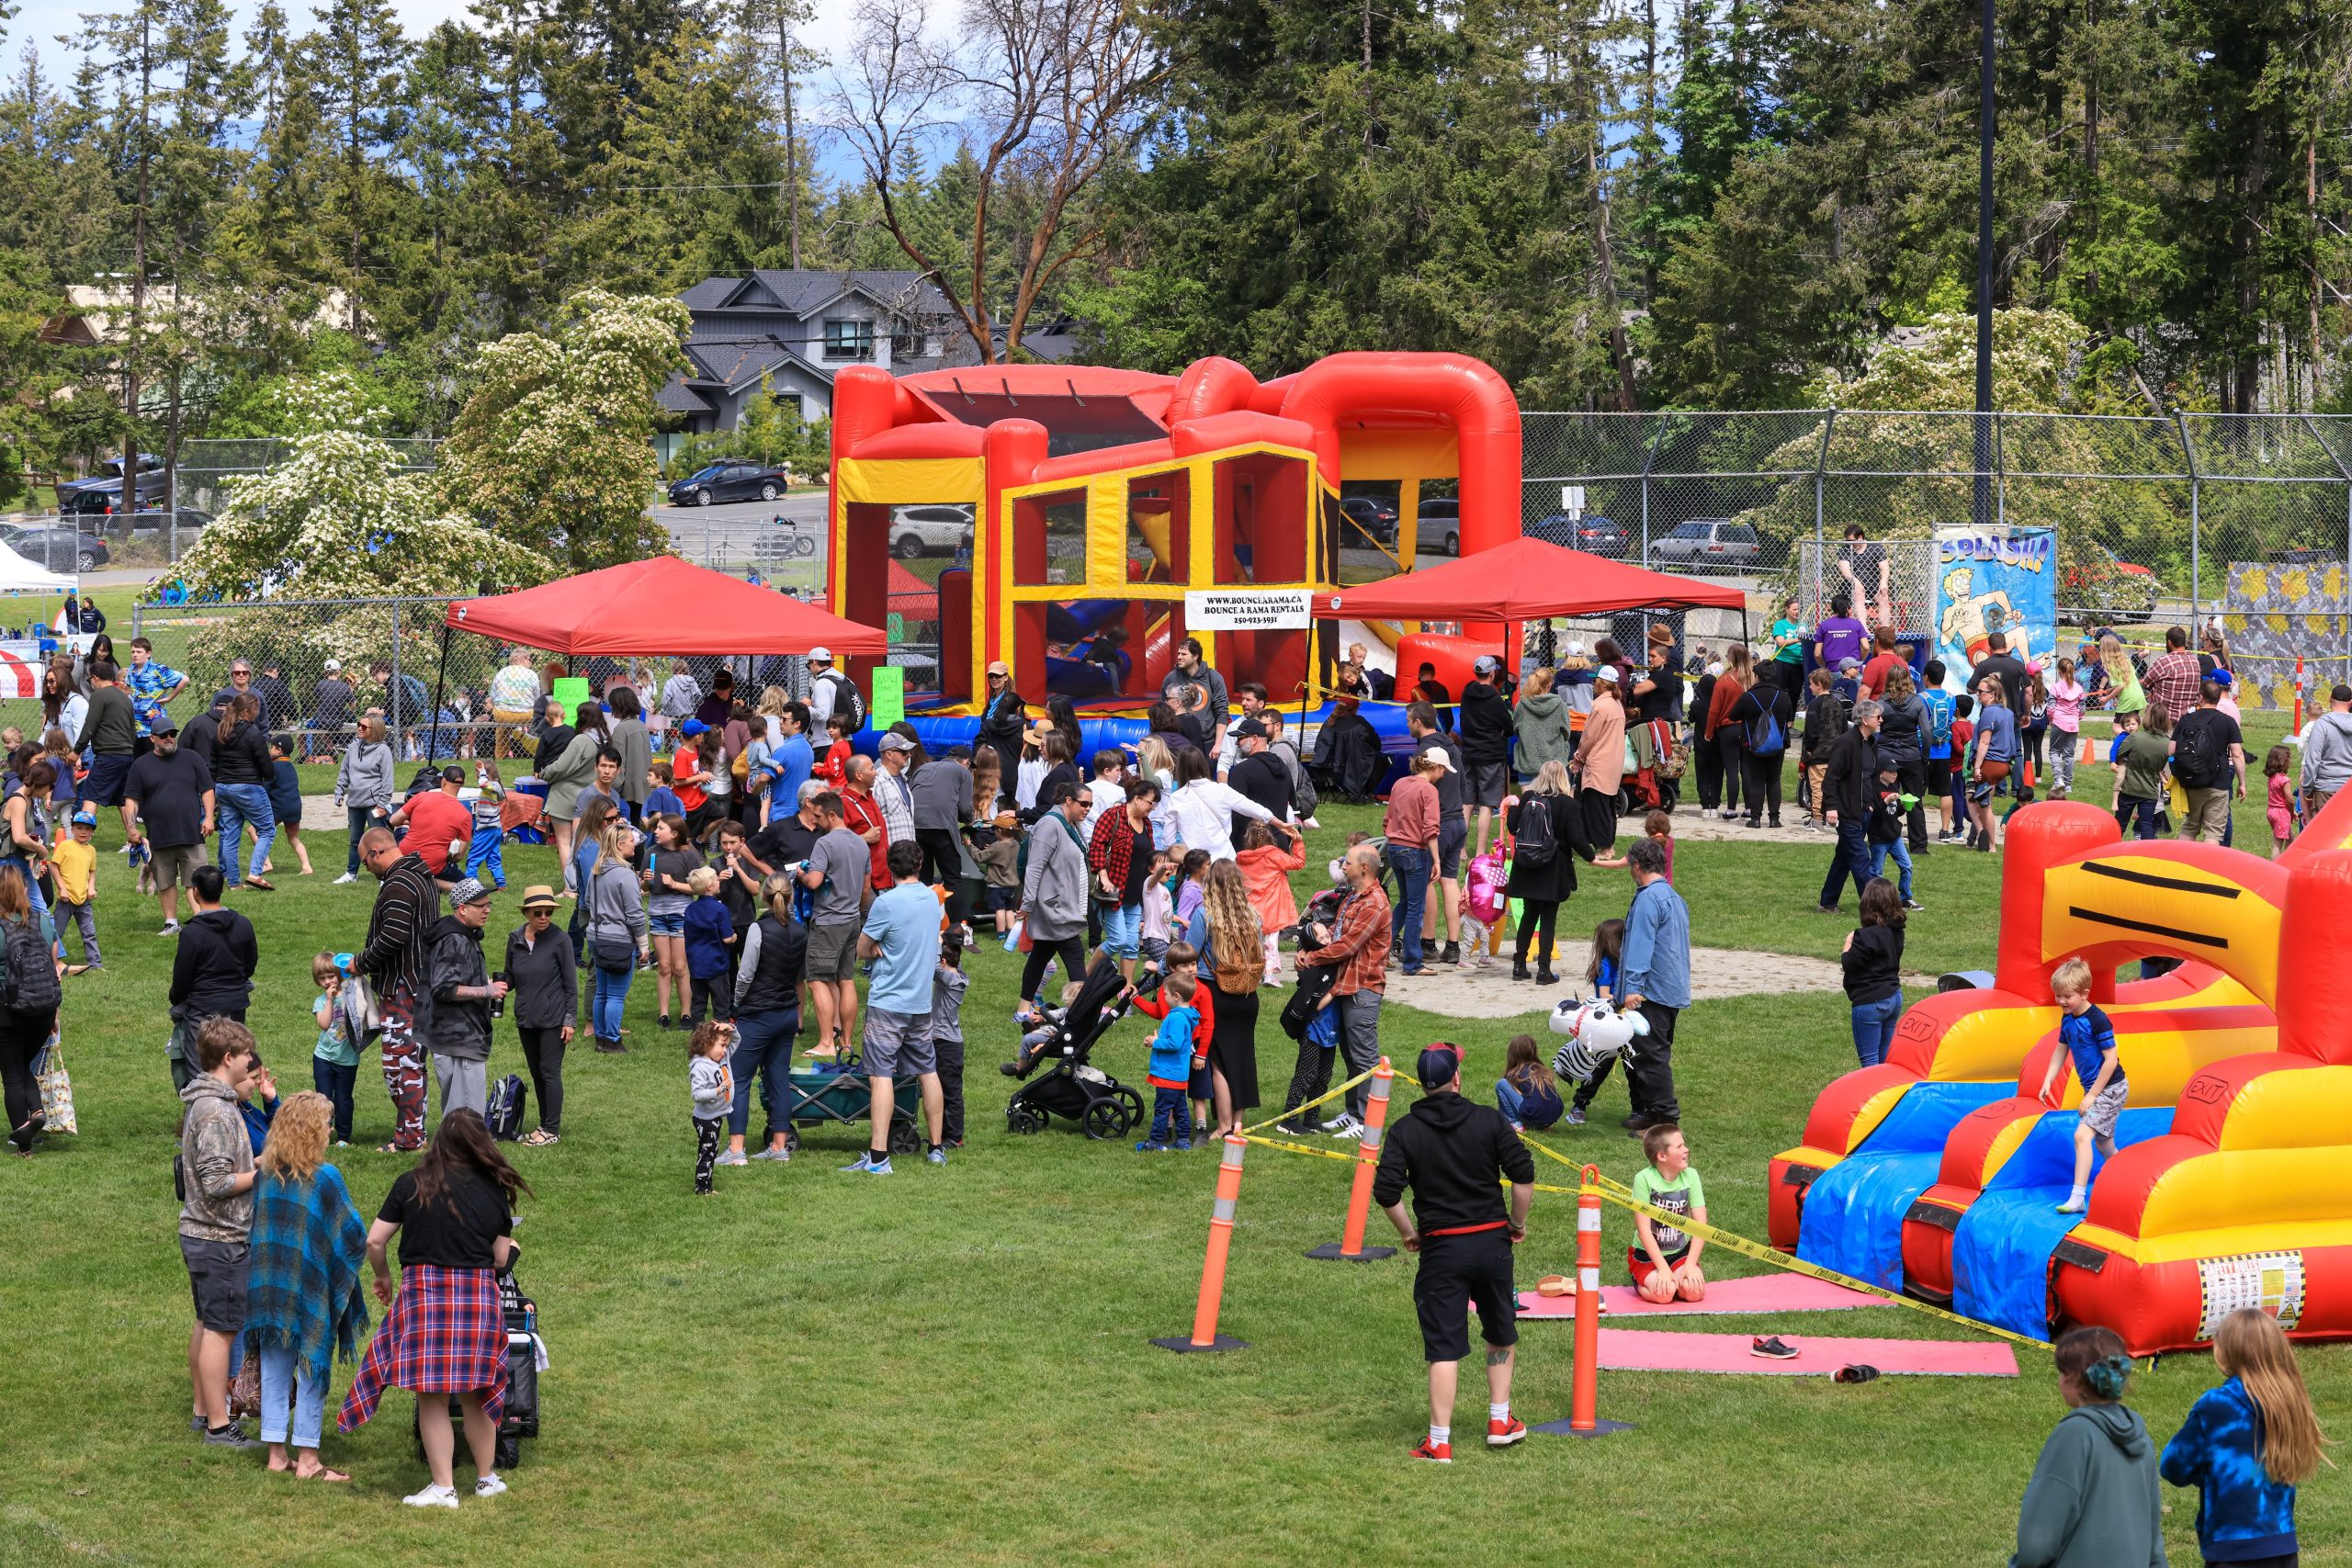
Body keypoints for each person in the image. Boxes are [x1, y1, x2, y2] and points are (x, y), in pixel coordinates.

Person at [338, 1108, 531, 1509]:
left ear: (440, 1140)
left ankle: (444, 1488)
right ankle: (486, 1479)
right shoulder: (493, 1190)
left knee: (433, 1396)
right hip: (478, 1298)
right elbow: (498, 1260)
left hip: (426, 1298)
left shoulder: (412, 1183)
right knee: (478, 1393)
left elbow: (375, 1241)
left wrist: (383, 1277)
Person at [1373, 1042, 1535, 1463]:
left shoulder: (1405, 1131)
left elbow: (1386, 1191)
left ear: (1424, 1086)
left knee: (1444, 1346)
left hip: (1442, 1249)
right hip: (1491, 1244)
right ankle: (1500, 1420)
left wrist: (1409, 1232)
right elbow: (1523, 1175)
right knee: (1500, 1329)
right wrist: (1516, 1224)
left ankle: (1439, 1441)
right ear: (1457, 1078)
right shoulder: (1489, 1120)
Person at [241, 1091, 369, 1481]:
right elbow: (354, 1234)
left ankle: (277, 1454)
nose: (330, 1130)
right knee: (313, 1368)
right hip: (307, 1288)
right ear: (314, 1130)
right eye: (327, 1124)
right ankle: (309, 1460)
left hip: (267, 1285)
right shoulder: (324, 1178)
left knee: (275, 1368)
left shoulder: (266, 1175)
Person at [2161, 1308, 2326, 1568]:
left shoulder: (2216, 1406)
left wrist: (2205, 1470)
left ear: (2224, 1353)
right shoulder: (2290, 1403)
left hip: (2233, 1550)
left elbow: (2172, 1466)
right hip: (2283, 1547)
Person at [2012, 1325, 2164, 1568]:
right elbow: (2153, 1536)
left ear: (2073, 1378)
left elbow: (2038, 1538)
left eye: (2060, 1372)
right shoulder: (2141, 1438)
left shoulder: (2074, 1434)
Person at [179, 1018, 262, 1447]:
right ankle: (218, 1424)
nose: (252, 1060)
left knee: (207, 1323)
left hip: (203, 1235)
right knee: (220, 1331)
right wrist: (261, 1172)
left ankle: (202, 1411)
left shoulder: (212, 1103)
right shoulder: (215, 1111)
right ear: (229, 1059)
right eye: (247, 1055)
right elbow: (216, 1182)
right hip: (220, 1237)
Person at [845, 839, 946, 1174]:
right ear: (919, 866)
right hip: (920, 1001)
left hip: (888, 1001)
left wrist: (874, 946)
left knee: (881, 1075)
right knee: (927, 1071)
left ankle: (878, 1157)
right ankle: (936, 1148)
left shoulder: (886, 903)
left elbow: (861, 948)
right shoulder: (934, 900)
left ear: (890, 868)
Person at [1286, 844, 1392, 1136]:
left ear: (1365, 869)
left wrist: (1312, 958)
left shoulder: (1374, 903)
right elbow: (1334, 932)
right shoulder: (1353, 896)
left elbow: (1348, 945)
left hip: (1363, 988)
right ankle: (1354, 1112)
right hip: (1345, 985)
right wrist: (1303, 948)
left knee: (1365, 1057)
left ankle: (1366, 1121)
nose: (1343, 867)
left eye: (1348, 863)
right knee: (1350, 1054)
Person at [351, 827, 439, 1149]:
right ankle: (410, 1133)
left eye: (365, 862)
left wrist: (360, 963)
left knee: (401, 1066)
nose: (367, 868)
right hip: (420, 983)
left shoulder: (400, 882)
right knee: (404, 1064)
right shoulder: (420, 873)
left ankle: (411, 1139)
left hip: (405, 987)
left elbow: (394, 936)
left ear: (376, 852)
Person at [721, 874, 807, 1166]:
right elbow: (799, 975)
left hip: (759, 1014)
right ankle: (779, 1146)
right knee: (778, 1078)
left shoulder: (759, 929)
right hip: (787, 1014)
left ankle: (735, 1150)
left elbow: (745, 974)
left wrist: (736, 1001)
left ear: (766, 896)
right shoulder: (799, 930)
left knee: (739, 1079)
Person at [2034, 956, 2126, 1216]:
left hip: (2112, 1086)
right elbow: (2060, 1050)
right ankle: (2127, 1179)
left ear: (2085, 993)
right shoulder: (2068, 1018)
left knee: (2081, 1136)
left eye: (2067, 996)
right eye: (2058, 995)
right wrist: (2048, 1079)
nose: (2061, 1001)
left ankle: (2077, 1198)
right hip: (2096, 1088)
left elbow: (2111, 1060)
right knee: (2104, 1145)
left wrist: (2092, 1096)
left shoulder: (2098, 1020)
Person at [1186, 858, 1266, 1136]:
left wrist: (1159, 966)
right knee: (1242, 1059)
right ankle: (1238, 1123)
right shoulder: (1253, 916)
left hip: (1214, 994)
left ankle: (1222, 1125)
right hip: (1247, 996)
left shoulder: (1204, 916)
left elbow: (1188, 953)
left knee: (1218, 1061)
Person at [1615, 837, 1689, 1129]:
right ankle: (1651, 1112)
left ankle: (1665, 1118)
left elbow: (1641, 947)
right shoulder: (1673, 896)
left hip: (1652, 991)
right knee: (1646, 1052)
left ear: (1636, 866)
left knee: (1651, 1055)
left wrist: (1632, 988)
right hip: (1671, 988)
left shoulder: (1648, 899)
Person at [417, 876, 505, 1120]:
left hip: (456, 1037)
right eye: (481, 905)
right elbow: (444, 988)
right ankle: (461, 1157)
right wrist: (487, 991)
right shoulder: (455, 940)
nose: (487, 909)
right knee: (466, 1115)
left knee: (457, 1113)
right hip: (459, 1038)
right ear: (463, 909)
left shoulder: (462, 935)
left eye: (489, 904)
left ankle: (453, 1155)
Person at [794, 791, 870, 1062]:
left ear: (833, 815)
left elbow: (814, 882)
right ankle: (846, 1043)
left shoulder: (824, 844)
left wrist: (801, 875)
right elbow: (866, 889)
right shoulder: (861, 844)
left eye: (818, 817)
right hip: (852, 921)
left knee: (816, 980)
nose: (815, 822)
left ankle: (827, 1041)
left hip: (828, 921)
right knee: (846, 980)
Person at [121, 716, 214, 935]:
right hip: (159, 836)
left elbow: (207, 789)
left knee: (197, 880)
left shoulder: (191, 758)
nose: (169, 738)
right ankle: (171, 922)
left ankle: (203, 920)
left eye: (172, 734)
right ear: (153, 738)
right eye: (164, 736)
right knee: (165, 881)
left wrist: (208, 817)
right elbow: (131, 800)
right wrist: (131, 828)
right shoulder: (141, 765)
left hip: (191, 832)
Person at [1016, 781, 1091, 1011]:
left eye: (1090, 805)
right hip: (1054, 907)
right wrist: (1028, 903)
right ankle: (1084, 1009)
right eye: (1084, 804)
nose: (1088, 809)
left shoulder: (1071, 824)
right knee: (1075, 955)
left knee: (1040, 957)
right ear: (1068, 800)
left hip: (1061, 903)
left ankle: (1022, 1010)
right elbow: (1035, 867)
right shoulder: (1050, 824)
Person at [1506, 760, 1582, 984]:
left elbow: (1512, 826)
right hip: (1552, 867)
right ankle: (1544, 970)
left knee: (1529, 915)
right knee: (1548, 919)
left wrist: (1512, 808)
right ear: (1562, 778)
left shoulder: (1529, 798)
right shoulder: (1567, 804)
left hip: (1526, 865)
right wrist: (1591, 857)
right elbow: (1576, 838)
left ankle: (1519, 965)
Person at [169, 863, 256, 1056]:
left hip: (201, 1010)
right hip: (236, 1005)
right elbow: (250, 965)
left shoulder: (192, 933)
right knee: (233, 1063)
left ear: (196, 892)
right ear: (222, 889)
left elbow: (182, 977)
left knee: (200, 1072)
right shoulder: (243, 924)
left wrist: (176, 999)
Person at [1126, 955, 1205, 1151]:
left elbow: (1175, 1044)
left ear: (1176, 996)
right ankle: (1183, 1141)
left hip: (1168, 1075)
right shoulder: (1186, 1015)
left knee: (1162, 1110)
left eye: (1166, 994)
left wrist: (1155, 1042)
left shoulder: (1178, 1017)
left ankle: (1154, 1143)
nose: (1164, 998)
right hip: (1178, 1075)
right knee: (1180, 1110)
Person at [584, 818, 649, 1054]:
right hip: (619, 940)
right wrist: (643, 945)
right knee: (616, 995)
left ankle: (600, 1039)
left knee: (602, 990)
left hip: (596, 937)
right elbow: (635, 915)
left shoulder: (596, 872)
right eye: (632, 841)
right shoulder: (626, 875)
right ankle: (612, 1040)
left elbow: (588, 902)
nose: (635, 845)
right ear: (620, 845)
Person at [1815, 698, 1883, 913]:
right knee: (1861, 860)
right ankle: (1874, 907)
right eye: (1877, 716)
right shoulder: (1846, 743)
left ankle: (1827, 902)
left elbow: (1871, 777)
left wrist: (1871, 803)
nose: (1881, 720)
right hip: (1847, 811)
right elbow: (1831, 778)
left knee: (1843, 860)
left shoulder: (1871, 743)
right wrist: (1832, 807)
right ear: (1864, 719)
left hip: (1863, 810)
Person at [1089, 777, 1158, 982]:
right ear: (1137, 798)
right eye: (1150, 803)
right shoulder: (1112, 816)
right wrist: (1104, 877)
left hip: (1135, 895)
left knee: (1131, 946)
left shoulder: (1147, 824)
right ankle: (1084, 976)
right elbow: (1097, 847)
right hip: (1114, 893)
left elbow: (1148, 856)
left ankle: (1125, 993)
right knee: (1118, 940)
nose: (1152, 808)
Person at [1382, 748, 1443, 976]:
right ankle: (1412, 963)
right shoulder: (1429, 790)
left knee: (1405, 903)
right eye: (1443, 769)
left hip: (1395, 848)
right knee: (1416, 908)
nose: (1444, 774)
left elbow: (1387, 818)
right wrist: (1436, 860)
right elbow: (1431, 830)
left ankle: (1380, 953)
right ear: (1435, 767)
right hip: (1414, 851)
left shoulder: (1400, 784)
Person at [1630, 1122, 1707, 1303]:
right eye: (1680, 1146)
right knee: (1665, 1295)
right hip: (1648, 1255)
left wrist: (1689, 1264)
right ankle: (1639, 1282)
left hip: (1680, 1252)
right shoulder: (1644, 1179)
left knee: (1693, 1293)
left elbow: (1701, 1226)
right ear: (1662, 1156)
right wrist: (1663, 1269)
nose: (1686, 1149)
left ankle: (1676, 1277)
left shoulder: (1691, 1176)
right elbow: (1644, 1230)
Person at [537, 705, 605, 893]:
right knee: (588, 842)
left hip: (566, 797)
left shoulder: (581, 740)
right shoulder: (603, 739)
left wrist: (544, 773)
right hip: (591, 797)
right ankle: (589, 883)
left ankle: (570, 887)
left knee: (564, 842)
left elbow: (561, 767)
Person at [1841, 878, 1906, 1067]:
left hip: (1870, 1001)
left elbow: (1848, 963)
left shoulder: (1866, 936)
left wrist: (1848, 942)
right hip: (1893, 996)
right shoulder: (1897, 930)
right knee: (1885, 1059)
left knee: (1869, 1063)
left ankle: (1872, 1096)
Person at [2172, 681, 2245, 844]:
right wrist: (2242, 783)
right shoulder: (2227, 721)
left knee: (2190, 825)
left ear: (2201, 697)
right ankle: (2206, 866)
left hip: (2191, 779)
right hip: (2218, 782)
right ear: (2219, 698)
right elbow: (2237, 754)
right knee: (2213, 831)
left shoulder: (2186, 719)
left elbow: (2172, 749)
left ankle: (2179, 863)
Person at [1457, 655, 1512, 857]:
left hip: (1469, 753)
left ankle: (1461, 850)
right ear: (1492, 673)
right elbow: (1509, 725)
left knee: (1466, 802)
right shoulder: (1494, 698)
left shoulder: (1466, 693)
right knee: (1487, 804)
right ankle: (1480, 852)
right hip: (1490, 756)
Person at [1729, 656, 1792, 829]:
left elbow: (1733, 716)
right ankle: (1774, 819)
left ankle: (1755, 818)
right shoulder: (1784, 697)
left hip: (1753, 745)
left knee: (1756, 780)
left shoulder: (1748, 697)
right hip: (1777, 745)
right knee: (1774, 780)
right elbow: (1789, 719)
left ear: (1757, 676)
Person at [1569, 664, 1627, 855]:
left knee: (1598, 809)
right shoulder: (1616, 703)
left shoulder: (1601, 706)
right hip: (1612, 763)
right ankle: (1607, 845)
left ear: (1602, 683)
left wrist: (1578, 757)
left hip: (1599, 764)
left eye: (1595, 680)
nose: (1593, 683)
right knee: (1607, 807)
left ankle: (1605, 849)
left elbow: (1588, 737)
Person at [333, 714, 396, 884]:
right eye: (358, 724)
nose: (359, 728)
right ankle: (351, 873)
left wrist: (382, 803)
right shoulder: (353, 747)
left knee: (379, 841)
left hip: (374, 804)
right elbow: (344, 772)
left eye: (364, 726)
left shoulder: (383, 751)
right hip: (355, 802)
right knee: (355, 839)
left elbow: (387, 780)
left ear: (374, 730)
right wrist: (339, 792)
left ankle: (385, 875)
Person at [74, 657, 138, 809]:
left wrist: (76, 751)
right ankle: (133, 832)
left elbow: (90, 726)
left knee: (90, 795)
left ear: (95, 678)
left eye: (90, 679)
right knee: (122, 799)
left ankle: (84, 832)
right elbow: (132, 732)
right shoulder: (125, 698)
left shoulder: (99, 695)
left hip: (108, 755)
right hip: (127, 756)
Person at [2112, 703, 2172, 840]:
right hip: (2150, 790)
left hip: (2129, 788)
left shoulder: (2135, 738)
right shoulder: (2167, 743)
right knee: (2147, 825)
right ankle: (2148, 857)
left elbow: (2118, 755)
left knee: (2119, 824)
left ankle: (2110, 853)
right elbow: (2164, 764)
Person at [1161, 637, 1230, 756]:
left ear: (1195, 656)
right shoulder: (1171, 678)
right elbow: (1163, 711)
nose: (1179, 657)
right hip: (1179, 742)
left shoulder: (1213, 677)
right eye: (1178, 653)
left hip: (1208, 742)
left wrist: (1218, 744)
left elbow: (1222, 712)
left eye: (1184, 654)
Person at [689, 1020, 735, 1194]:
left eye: (726, 1046)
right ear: (706, 1043)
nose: (725, 1050)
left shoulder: (720, 1059)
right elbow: (697, 1095)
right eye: (722, 1045)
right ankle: (702, 1189)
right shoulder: (700, 1067)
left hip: (715, 1116)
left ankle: (707, 1186)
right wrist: (718, 1090)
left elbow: (736, 1041)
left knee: (711, 1152)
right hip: (706, 1119)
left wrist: (730, 1029)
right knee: (707, 1153)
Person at [52, 807, 98, 973]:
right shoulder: (65, 846)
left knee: (89, 932)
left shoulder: (91, 850)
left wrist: (91, 887)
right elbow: (53, 866)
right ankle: (48, 961)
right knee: (56, 932)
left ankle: (95, 964)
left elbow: (92, 871)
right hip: (66, 900)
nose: (83, 832)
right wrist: (62, 888)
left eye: (87, 829)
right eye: (79, 828)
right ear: (72, 829)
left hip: (84, 899)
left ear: (92, 831)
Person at [2298, 682, 2352, 820]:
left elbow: (2312, 760)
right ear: (2350, 703)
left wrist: (2307, 788)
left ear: (2330, 699)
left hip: (2325, 789)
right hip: (2348, 788)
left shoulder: (2322, 725)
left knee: (2323, 839)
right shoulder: (2322, 724)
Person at [1493, 1033, 1563, 1132]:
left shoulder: (1516, 1073)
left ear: (1512, 1054)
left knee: (1502, 1084)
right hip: (1552, 1118)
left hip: (1533, 1117)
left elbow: (1508, 1099)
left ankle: (1514, 1122)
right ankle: (1543, 1125)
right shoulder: (1542, 1071)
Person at [977, 660, 1027, 784]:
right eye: (991, 676)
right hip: (990, 754)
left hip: (1005, 755)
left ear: (1005, 677)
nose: (994, 679)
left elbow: (1017, 726)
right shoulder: (992, 700)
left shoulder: (1012, 700)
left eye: (998, 676)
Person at [462, 760, 506, 890]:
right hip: (495, 829)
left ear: (489, 774)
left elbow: (482, 783)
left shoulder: (491, 786)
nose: (477, 775)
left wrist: (482, 771)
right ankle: (501, 884)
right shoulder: (495, 786)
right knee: (493, 858)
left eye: (479, 772)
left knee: (473, 857)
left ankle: (470, 885)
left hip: (487, 830)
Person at [2143, 624, 2201, 724]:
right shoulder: (2195, 662)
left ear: (2169, 642)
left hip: (2163, 721)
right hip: (2187, 720)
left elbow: (2145, 683)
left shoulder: (2164, 662)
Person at [1814, 592, 1870, 672]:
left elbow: (1817, 654)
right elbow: (1866, 647)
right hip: (1853, 669)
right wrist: (1858, 662)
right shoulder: (1857, 624)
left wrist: (1825, 666)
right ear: (1848, 608)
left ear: (1832, 607)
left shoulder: (1824, 625)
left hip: (1833, 669)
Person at [2264, 743, 2299, 854]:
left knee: (2292, 839)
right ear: (2282, 761)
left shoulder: (2272, 778)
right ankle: (2274, 868)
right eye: (2289, 759)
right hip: (2281, 813)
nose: (2290, 761)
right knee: (2277, 845)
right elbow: (2290, 800)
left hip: (2271, 811)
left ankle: (2289, 860)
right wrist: (2292, 811)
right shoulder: (2284, 780)